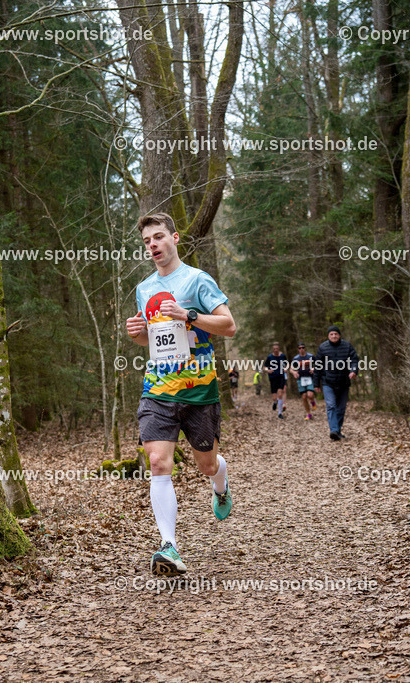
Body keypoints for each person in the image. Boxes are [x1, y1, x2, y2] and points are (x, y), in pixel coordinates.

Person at [125, 213, 237, 576]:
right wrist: (137, 332)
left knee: (206, 464)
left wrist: (189, 314)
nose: (153, 245)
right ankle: (168, 546)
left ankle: (220, 485)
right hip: (158, 388)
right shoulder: (144, 289)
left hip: (199, 390)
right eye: (147, 241)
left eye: (158, 237)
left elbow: (229, 326)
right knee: (158, 462)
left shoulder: (197, 280)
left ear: (174, 238)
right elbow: (151, 340)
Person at [314, 325, 359, 441]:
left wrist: (354, 371)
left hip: (344, 382)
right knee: (331, 406)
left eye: (336, 334)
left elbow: (355, 360)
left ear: (339, 335)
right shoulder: (323, 347)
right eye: (331, 334)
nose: (334, 336)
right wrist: (316, 383)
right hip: (328, 382)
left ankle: (337, 431)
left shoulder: (347, 346)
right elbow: (317, 366)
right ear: (328, 336)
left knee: (341, 408)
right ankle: (333, 430)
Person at [290, 343, 317, 420]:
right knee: (304, 397)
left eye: (303, 347)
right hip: (300, 379)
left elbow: (318, 364)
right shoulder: (296, 359)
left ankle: (312, 401)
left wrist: (313, 368)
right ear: (298, 349)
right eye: (300, 348)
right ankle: (309, 414)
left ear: (305, 348)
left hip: (309, 378)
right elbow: (291, 369)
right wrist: (294, 372)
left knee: (310, 395)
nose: (301, 349)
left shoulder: (310, 356)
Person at [264, 342, 289, 419]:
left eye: (277, 349)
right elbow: (265, 367)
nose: (275, 350)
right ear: (272, 349)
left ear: (279, 349)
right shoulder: (270, 357)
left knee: (280, 394)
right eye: (274, 349)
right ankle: (275, 402)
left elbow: (287, 364)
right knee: (275, 397)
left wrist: (285, 368)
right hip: (273, 378)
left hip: (281, 377)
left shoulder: (283, 356)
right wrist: (268, 370)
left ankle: (280, 413)